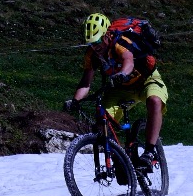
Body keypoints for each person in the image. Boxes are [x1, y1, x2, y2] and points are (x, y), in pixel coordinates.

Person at [66, 12, 167, 171]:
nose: (95, 47)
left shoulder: (120, 43)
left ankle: (149, 151)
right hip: (121, 89)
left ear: (107, 35)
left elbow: (128, 60)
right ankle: (121, 160)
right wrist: (75, 101)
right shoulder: (92, 55)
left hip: (146, 80)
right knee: (102, 121)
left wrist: (122, 74)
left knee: (154, 101)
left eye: (97, 41)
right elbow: (86, 82)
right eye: (90, 43)